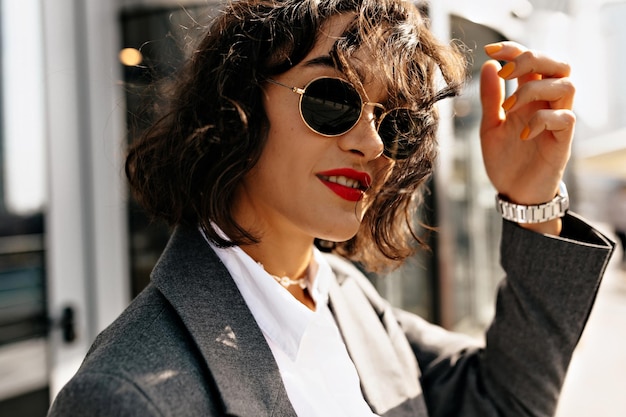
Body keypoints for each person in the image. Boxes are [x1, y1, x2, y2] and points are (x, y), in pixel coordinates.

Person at [48, 1, 615, 416]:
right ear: (237, 103)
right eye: (331, 99)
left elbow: (505, 400)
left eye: (393, 122)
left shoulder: (344, 298)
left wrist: (532, 197)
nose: (371, 146)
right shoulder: (126, 396)